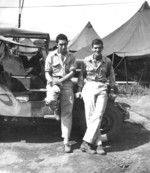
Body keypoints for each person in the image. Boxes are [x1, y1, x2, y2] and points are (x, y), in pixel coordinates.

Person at [76, 39, 116, 155]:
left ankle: (85, 142)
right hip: (89, 86)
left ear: (102, 48)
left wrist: (112, 89)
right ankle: (98, 145)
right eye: (95, 48)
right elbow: (81, 76)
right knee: (90, 116)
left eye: (99, 48)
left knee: (98, 115)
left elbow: (111, 76)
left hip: (102, 87)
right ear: (92, 48)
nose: (97, 50)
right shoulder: (86, 60)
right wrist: (79, 90)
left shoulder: (107, 61)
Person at [45, 34, 77, 153]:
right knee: (50, 100)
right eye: (61, 44)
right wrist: (52, 81)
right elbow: (47, 72)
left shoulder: (71, 56)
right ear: (57, 44)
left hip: (67, 83)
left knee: (67, 113)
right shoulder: (51, 56)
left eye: (65, 44)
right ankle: (55, 109)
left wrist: (61, 81)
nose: (63, 46)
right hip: (53, 82)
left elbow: (72, 73)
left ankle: (66, 142)